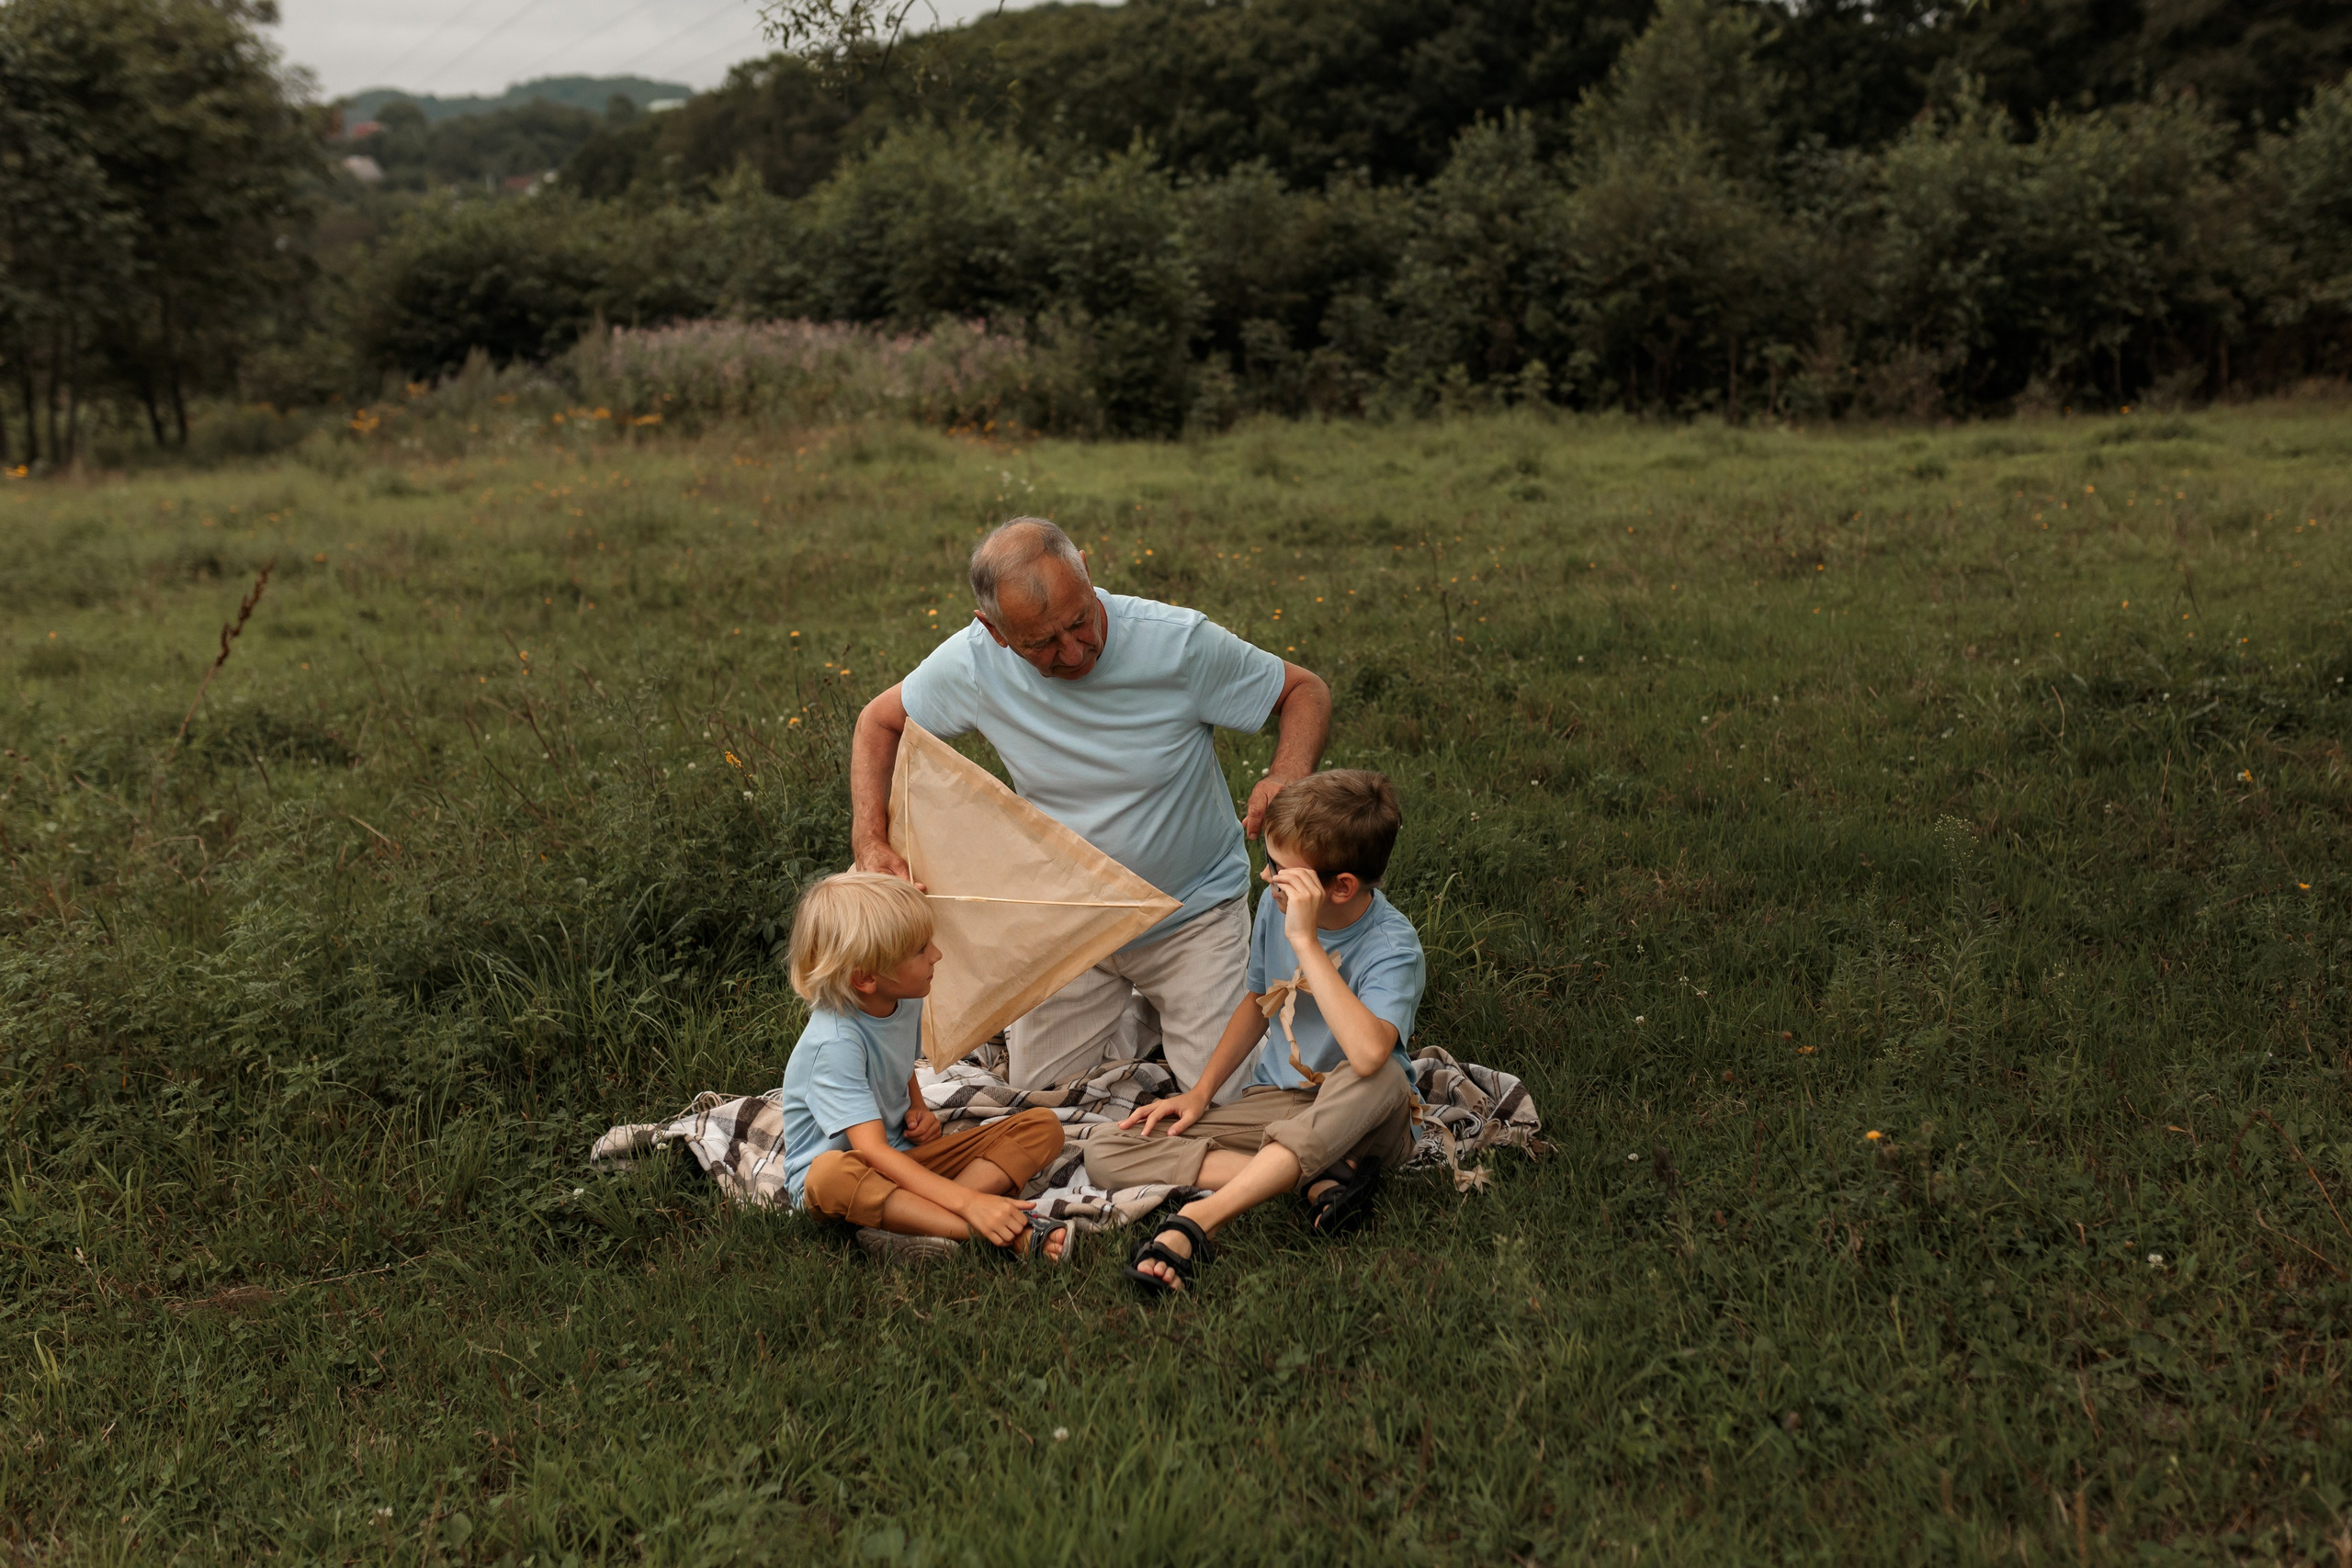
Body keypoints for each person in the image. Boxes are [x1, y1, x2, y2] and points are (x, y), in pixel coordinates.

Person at [849, 516, 1331, 1100]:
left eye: (1080, 621)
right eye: (1042, 644)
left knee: (1230, 1101)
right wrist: (870, 841)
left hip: (1195, 912)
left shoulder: (1177, 642)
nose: (1075, 651)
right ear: (995, 632)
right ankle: (1143, 1018)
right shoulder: (976, 663)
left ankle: (1162, 1008)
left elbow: (1304, 690)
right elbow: (879, 722)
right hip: (1069, 921)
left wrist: (1286, 775)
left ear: (1087, 572)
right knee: (1041, 1098)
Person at [1078, 771, 1423, 1294]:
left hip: (1363, 1116)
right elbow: (1257, 1002)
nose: (1266, 878)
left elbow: (1370, 1053)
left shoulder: (1391, 946)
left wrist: (1306, 942)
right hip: (1277, 1102)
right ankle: (1311, 1179)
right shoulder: (1275, 904)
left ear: (1341, 887)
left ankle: (1199, 1221)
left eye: (1282, 872)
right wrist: (1200, 1093)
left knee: (1384, 1076)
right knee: (1107, 1151)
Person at [779, 871, 1070, 1263]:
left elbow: (902, 1061)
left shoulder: (904, 998)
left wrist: (916, 1105)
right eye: (919, 950)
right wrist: (970, 1202)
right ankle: (984, 1231)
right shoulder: (834, 1044)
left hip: (904, 1162)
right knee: (827, 1174)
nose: (936, 954)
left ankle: (912, 1223)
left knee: (1042, 1126)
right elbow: (874, 1153)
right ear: (865, 978)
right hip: (849, 1178)